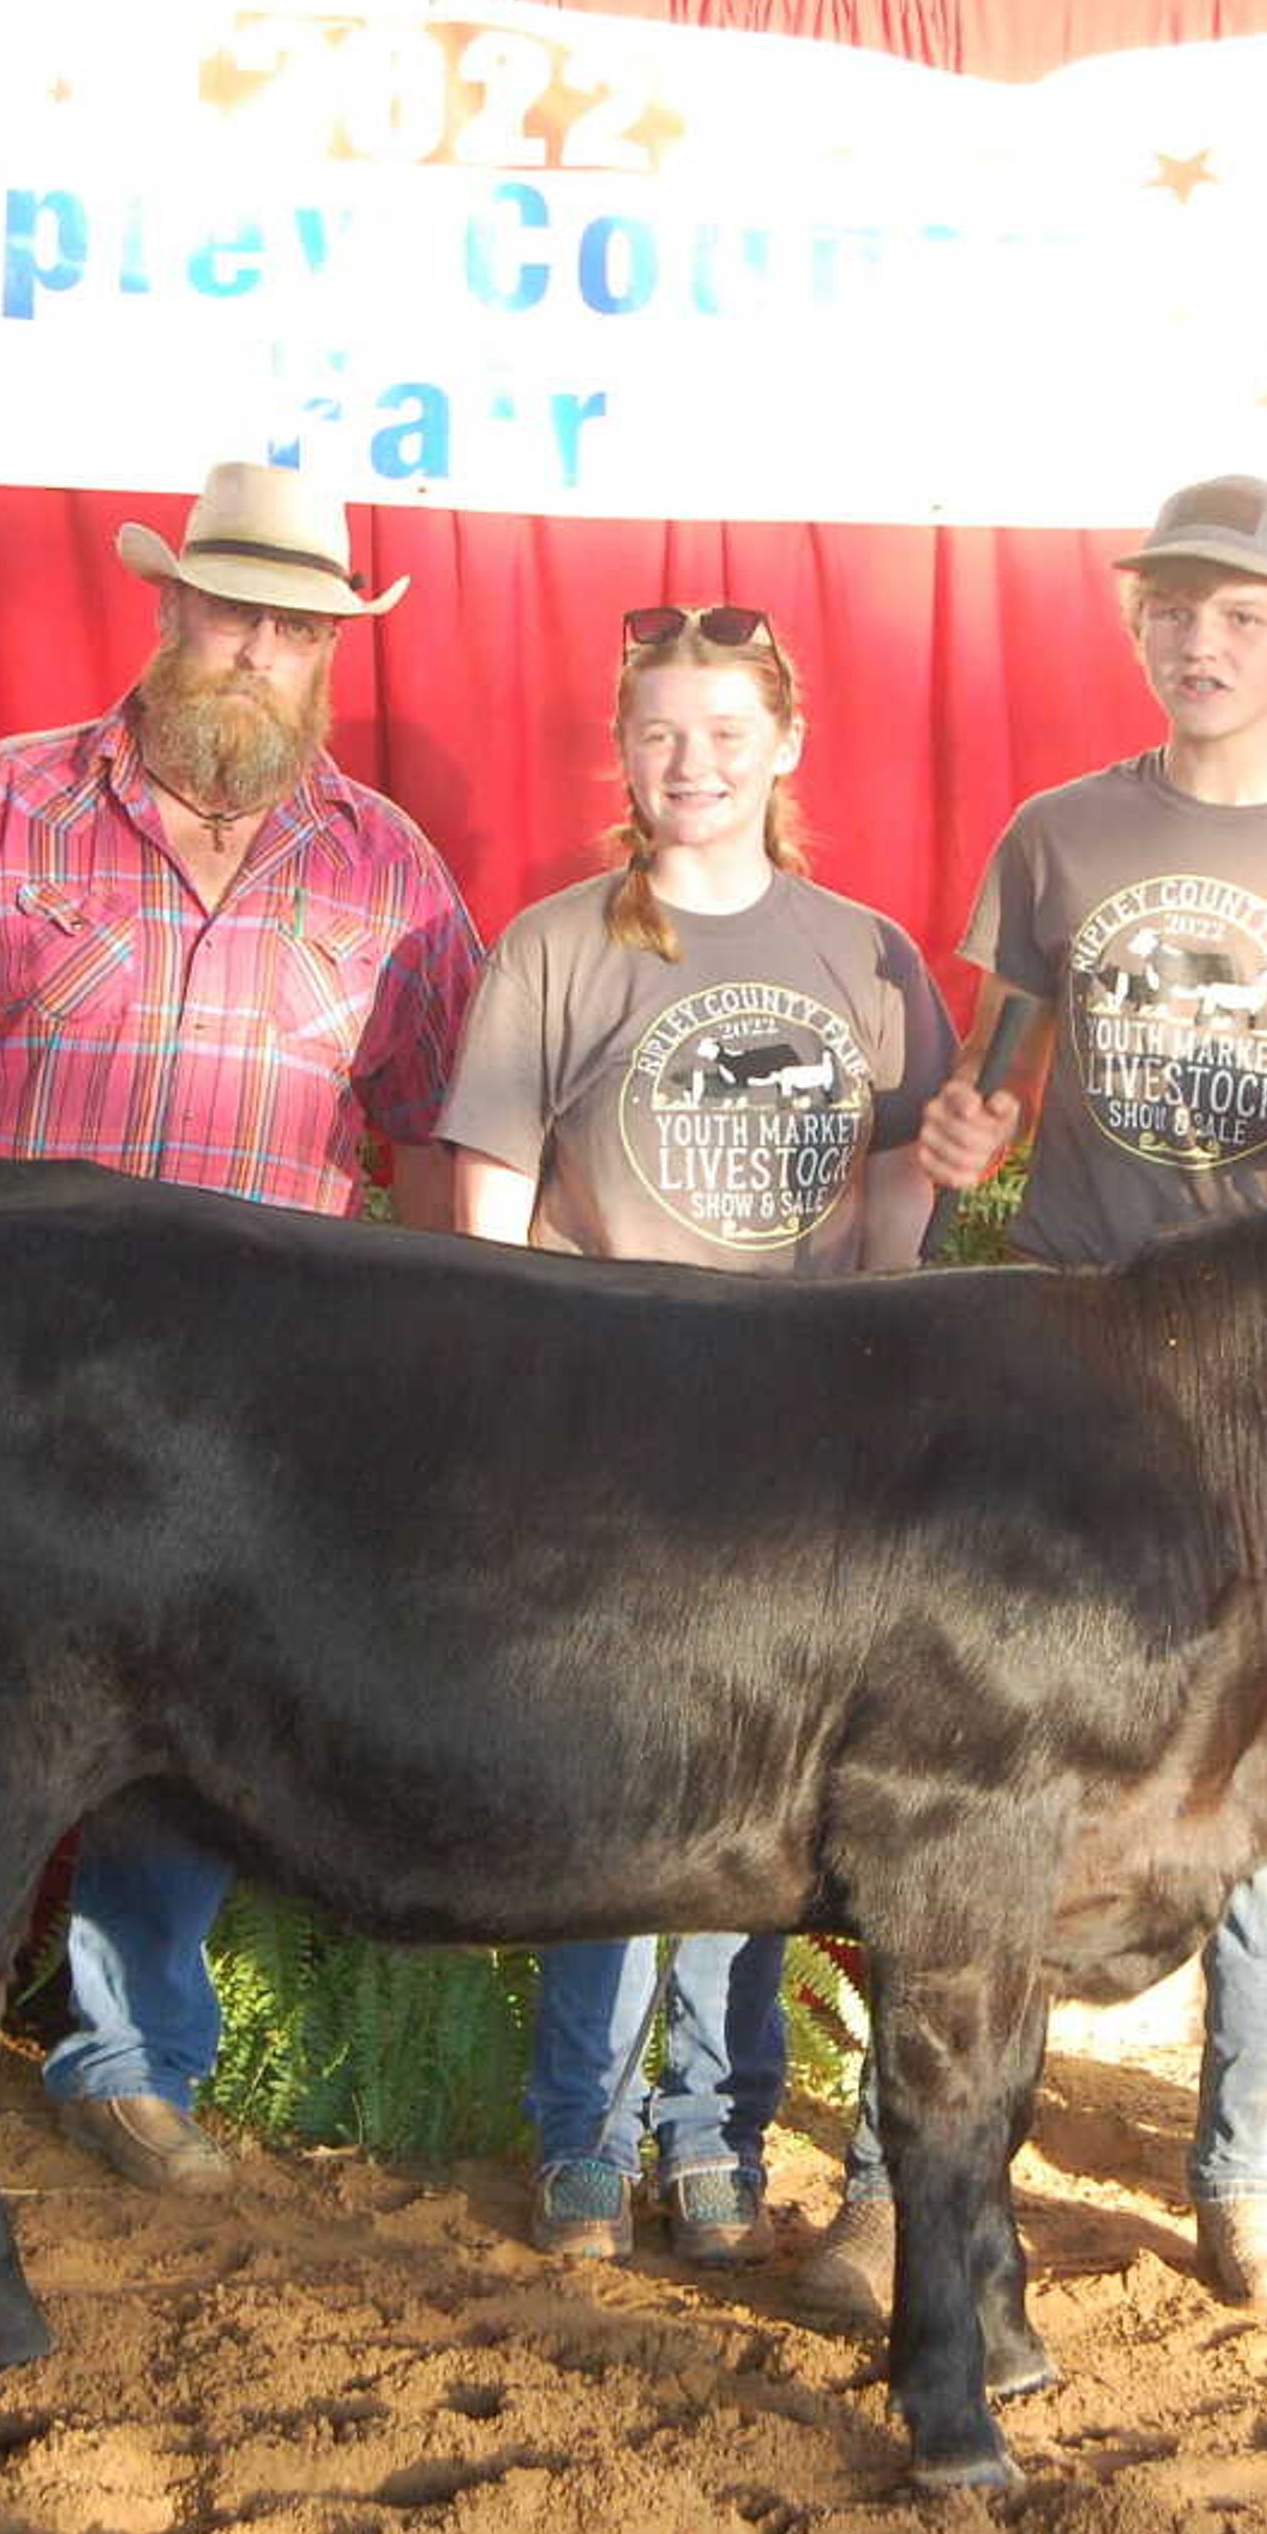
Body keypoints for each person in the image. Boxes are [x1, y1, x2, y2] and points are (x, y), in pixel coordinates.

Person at [0, 458, 486, 2233]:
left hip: (254, 1418)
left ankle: (124, 2056)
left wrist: (456, 1369)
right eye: (229, 614)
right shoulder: (2, 807)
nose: (255, 654)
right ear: (164, 615)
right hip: (7, 1401)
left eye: (296, 630)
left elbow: (449, 1129)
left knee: (198, 1748)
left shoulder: (391, 869)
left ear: (330, 657)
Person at [885, 475, 1267, 2319]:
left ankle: (1253, 2182)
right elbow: (996, 1082)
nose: (1201, 643)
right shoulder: (1058, 838)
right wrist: (969, 1128)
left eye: (1241, 615)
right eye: (1173, 611)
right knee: (982, 1769)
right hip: (1074, 1356)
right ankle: (901, 2172)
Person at [437, 602, 954, 2268]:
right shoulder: (559, 946)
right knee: (626, 1809)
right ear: (622, 746)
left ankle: (719, 2140)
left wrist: (896, 1302)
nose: (692, 765)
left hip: (804, 1449)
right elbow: (492, 1211)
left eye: (727, 733)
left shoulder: (865, 955)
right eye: (660, 732)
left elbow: (891, 1208)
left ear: (785, 747)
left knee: (771, 1810)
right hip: (615, 1440)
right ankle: (585, 2143)